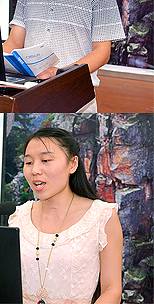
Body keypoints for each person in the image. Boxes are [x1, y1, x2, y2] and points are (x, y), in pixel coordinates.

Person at [9, 127, 123, 304]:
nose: (35, 170)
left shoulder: (102, 217)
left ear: (73, 164)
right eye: (29, 162)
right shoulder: (18, 216)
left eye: (46, 160)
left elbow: (112, 291)